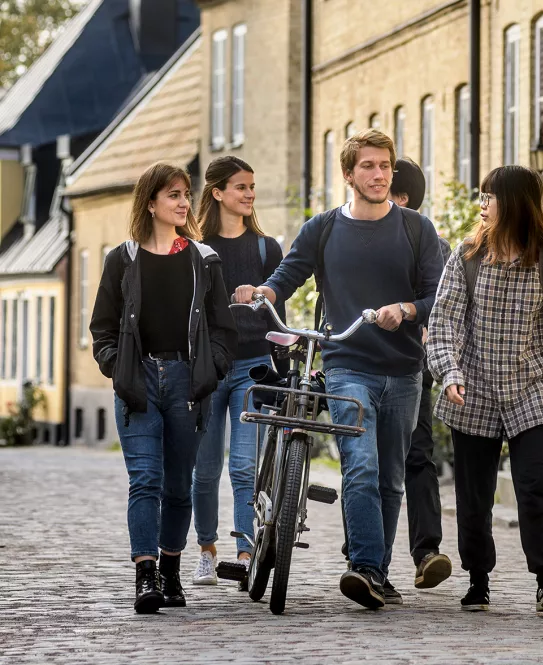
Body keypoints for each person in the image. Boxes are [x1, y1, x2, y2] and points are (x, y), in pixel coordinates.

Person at [233, 129, 444, 609]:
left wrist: (408, 310)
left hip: (406, 370)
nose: (379, 174)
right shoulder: (323, 228)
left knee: (390, 476)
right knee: (362, 466)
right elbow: (288, 275)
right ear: (349, 174)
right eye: (368, 166)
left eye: (385, 166)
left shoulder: (417, 229)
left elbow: (439, 295)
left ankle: (378, 573)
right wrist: (264, 292)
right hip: (349, 365)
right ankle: (365, 568)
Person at [427, 165, 543, 614]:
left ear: (515, 203)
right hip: (473, 390)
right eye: (479, 197)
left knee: (535, 484)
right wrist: (449, 373)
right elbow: (443, 323)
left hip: (532, 389)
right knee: (474, 496)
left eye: (489, 197)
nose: (481, 205)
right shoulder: (465, 257)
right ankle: (478, 579)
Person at [90, 163, 238, 614]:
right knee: (146, 480)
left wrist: (211, 370)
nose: (182, 203)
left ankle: (171, 570)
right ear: (150, 202)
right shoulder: (123, 258)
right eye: (173, 195)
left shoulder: (202, 259)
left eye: (186, 195)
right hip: (138, 383)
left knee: (178, 485)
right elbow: (102, 328)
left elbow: (222, 329)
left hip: (187, 384)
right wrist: (119, 369)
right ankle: (145, 576)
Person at [190, 156, 284, 587]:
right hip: (208, 368)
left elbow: (275, 317)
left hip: (253, 367)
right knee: (205, 469)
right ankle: (207, 550)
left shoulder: (267, 249)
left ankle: (245, 553)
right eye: (240, 187)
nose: (249, 194)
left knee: (245, 466)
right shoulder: (193, 248)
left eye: (251, 186)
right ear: (217, 193)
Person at [389, 158, 453, 590]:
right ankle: (364, 554)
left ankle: (426, 552)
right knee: (366, 462)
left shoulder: (428, 241)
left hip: (412, 364)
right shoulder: (352, 231)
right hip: (360, 363)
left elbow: (446, 304)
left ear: (403, 198)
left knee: (418, 453)